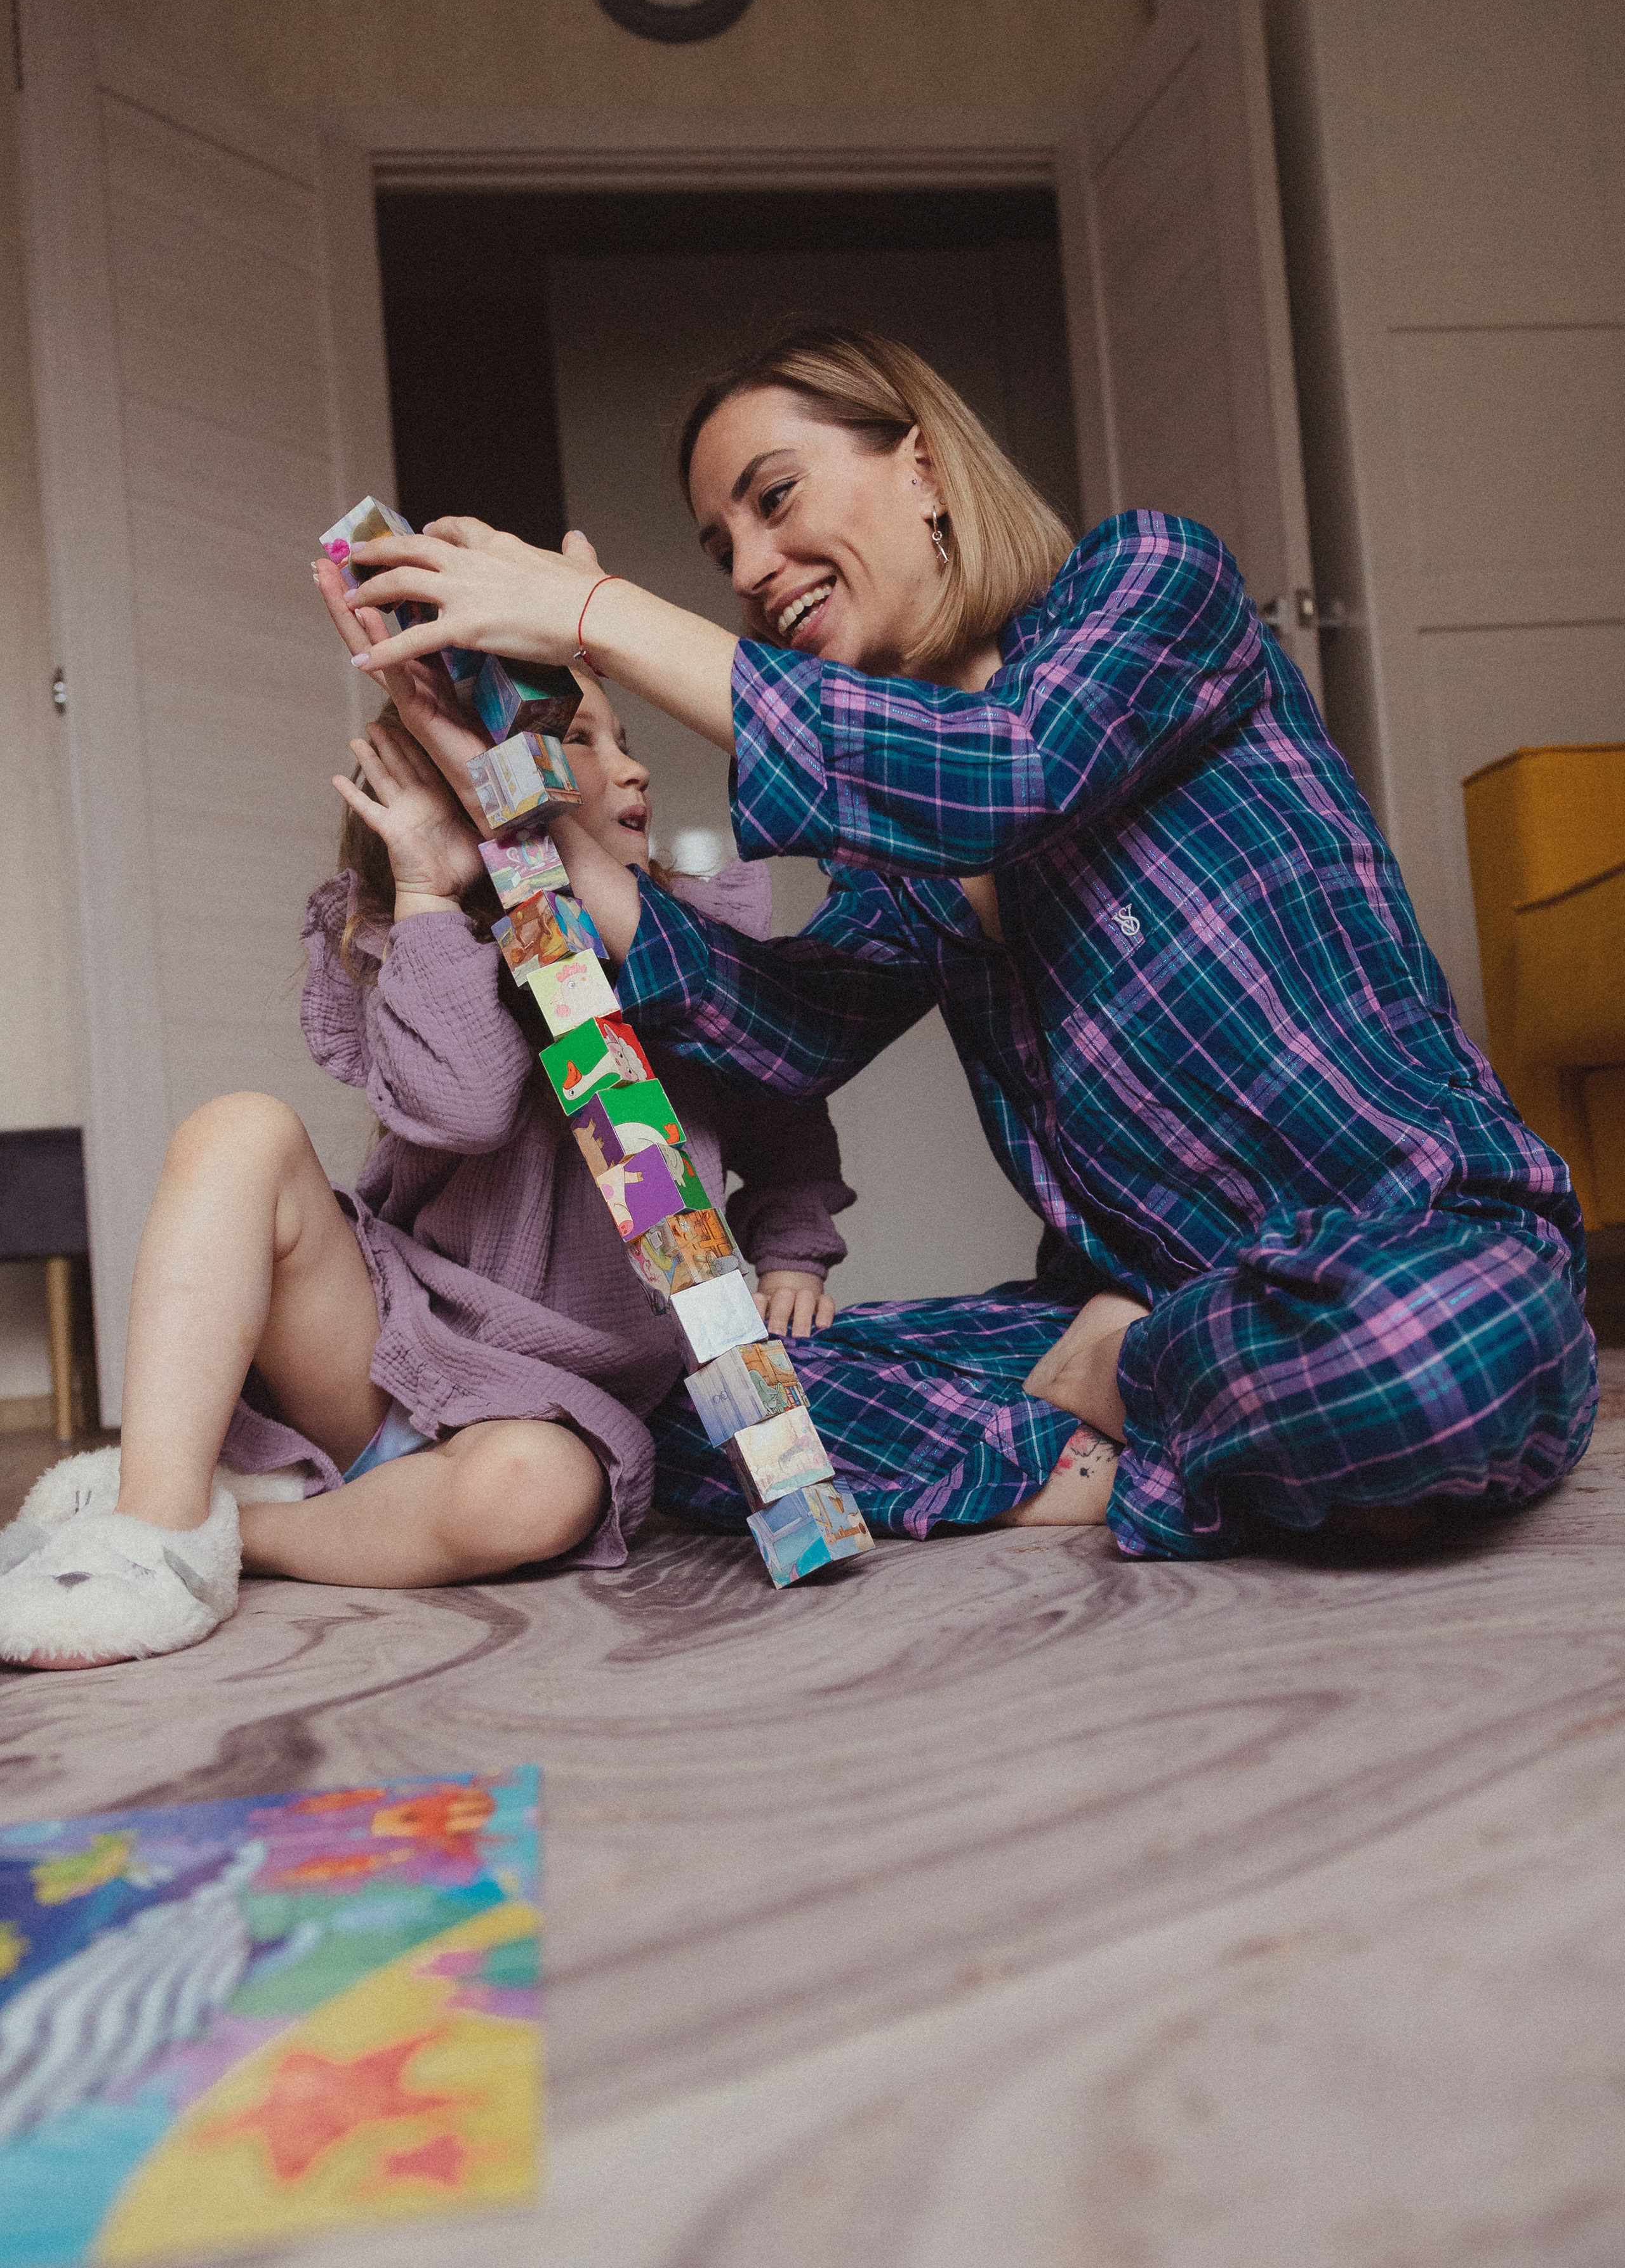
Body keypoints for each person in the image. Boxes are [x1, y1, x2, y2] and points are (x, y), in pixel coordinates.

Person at [307, 325, 1597, 1562]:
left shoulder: (1150, 584)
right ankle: (1268, 1445)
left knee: (1433, 1356)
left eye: (773, 498)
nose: (750, 569)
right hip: (1149, 1283)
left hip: (1412, 1240)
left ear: (921, 466)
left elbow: (1008, 770)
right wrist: (560, 833)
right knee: (715, 1414)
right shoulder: (891, 838)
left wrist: (592, 612)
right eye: (721, 548)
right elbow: (787, 1030)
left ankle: (1135, 1400)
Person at [0, 676, 851, 1668]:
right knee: (239, 1129)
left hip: (549, 1401)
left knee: (537, 1492)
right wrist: (430, 899)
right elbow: (467, 1105)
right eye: (582, 740)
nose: (633, 764)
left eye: (624, 736)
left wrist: (793, 1249)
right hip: (390, 1343)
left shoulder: (695, 952)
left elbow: (785, 1115)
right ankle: (149, 1523)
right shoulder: (430, 946)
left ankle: (237, 1526)